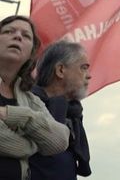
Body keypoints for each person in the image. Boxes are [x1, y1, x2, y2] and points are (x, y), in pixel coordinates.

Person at [0, 15, 69, 180]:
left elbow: (59, 140)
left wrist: (10, 114)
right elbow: (18, 147)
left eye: (26, 36)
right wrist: (32, 145)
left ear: (31, 52)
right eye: (9, 31)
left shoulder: (30, 99)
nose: (17, 36)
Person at [29, 41, 92, 180]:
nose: (89, 76)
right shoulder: (27, 104)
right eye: (83, 68)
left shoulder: (72, 114)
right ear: (60, 70)